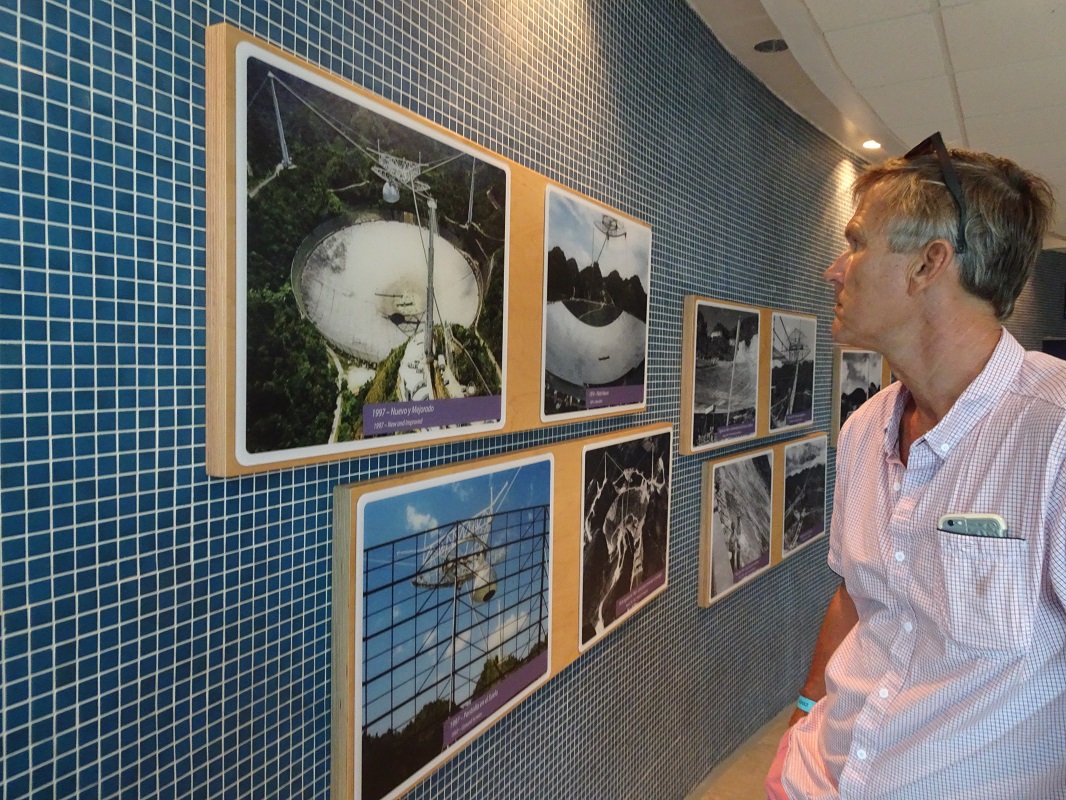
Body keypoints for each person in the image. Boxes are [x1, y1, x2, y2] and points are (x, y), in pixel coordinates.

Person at [766, 133, 1065, 799]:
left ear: (929, 263)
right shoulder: (866, 428)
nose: (834, 270)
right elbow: (857, 597)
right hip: (817, 773)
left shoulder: (1054, 433)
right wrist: (805, 715)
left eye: (856, 243)